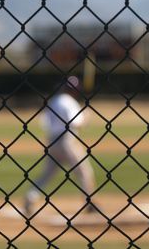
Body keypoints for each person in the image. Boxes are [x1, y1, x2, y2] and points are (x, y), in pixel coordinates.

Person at [24, 76, 97, 217]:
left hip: (51, 141)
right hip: (66, 142)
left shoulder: (54, 101)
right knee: (84, 171)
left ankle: (30, 196)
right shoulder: (70, 102)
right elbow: (75, 123)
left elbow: (44, 122)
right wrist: (87, 116)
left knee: (47, 175)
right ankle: (90, 203)